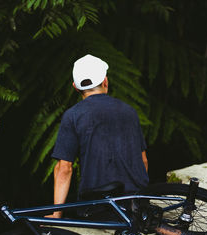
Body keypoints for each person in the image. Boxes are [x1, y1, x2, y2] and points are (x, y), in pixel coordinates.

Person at [49, 54, 149, 220]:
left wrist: (56, 214)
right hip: (136, 204)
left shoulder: (73, 115)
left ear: (75, 87)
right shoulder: (129, 111)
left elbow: (64, 168)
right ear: (105, 81)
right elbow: (143, 160)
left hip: (97, 207)